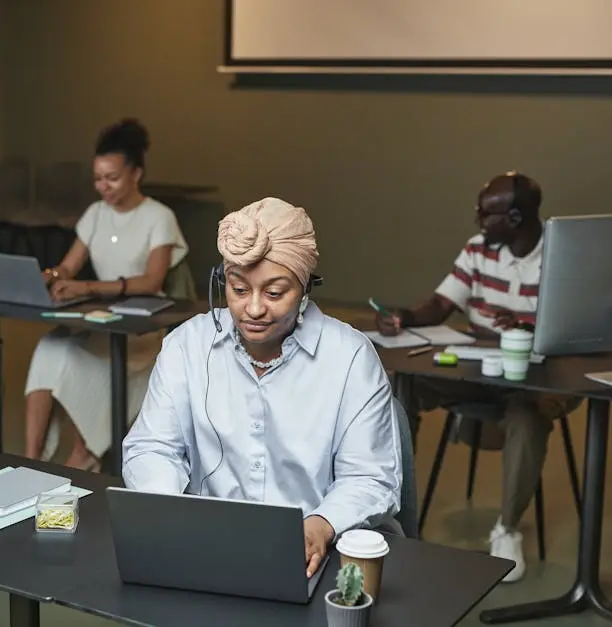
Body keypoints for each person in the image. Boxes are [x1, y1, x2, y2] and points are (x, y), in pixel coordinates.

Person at [122, 197, 402, 577]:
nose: (253, 309)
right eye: (238, 289)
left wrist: (322, 524)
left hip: (323, 551)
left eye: (274, 293)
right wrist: (172, 512)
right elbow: (152, 447)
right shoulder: (187, 346)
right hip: (211, 547)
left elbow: (370, 477)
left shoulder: (350, 358)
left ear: (305, 289)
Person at [374, 171, 578, 582]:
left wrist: (522, 323)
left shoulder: (563, 256)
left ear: (515, 219)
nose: (479, 222)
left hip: (533, 377)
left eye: (487, 214)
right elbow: (442, 303)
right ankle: (393, 512)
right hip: (476, 368)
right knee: (401, 391)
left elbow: (574, 326)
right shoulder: (479, 249)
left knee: (528, 418)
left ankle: (506, 531)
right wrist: (405, 317)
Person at [23, 118, 189, 472]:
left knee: (89, 362)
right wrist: (51, 276)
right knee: (49, 349)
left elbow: (151, 280)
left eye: (112, 178)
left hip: (142, 330)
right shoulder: (96, 214)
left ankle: (81, 459)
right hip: (103, 322)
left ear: (136, 174)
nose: (104, 187)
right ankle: (30, 459)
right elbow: (68, 265)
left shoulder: (159, 217)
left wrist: (88, 287)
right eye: (98, 179)